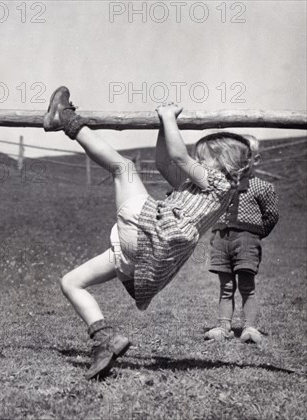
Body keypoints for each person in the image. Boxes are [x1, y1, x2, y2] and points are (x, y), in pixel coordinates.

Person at [43, 86, 253, 379]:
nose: (199, 163)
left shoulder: (219, 183)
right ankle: (104, 338)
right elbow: (165, 162)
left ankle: (64, 120)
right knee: (71, 283)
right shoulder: (202, 188)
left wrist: (169, 118)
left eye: (204, 159)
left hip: (153, 235)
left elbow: (179, 156)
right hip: (144, 256)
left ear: (223, 163)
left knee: (123, 167)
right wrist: (162, 127)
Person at [204, 136, 279, 344]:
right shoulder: (221, 185)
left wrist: (254, 234)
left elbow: (271, 215)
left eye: (245, 158)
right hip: (221, 241)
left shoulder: (262, 187)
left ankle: (250, 328)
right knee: (226, 288)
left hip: (246, 243)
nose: (239, 163)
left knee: (247, 286)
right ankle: (223, 327)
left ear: (255, 159)